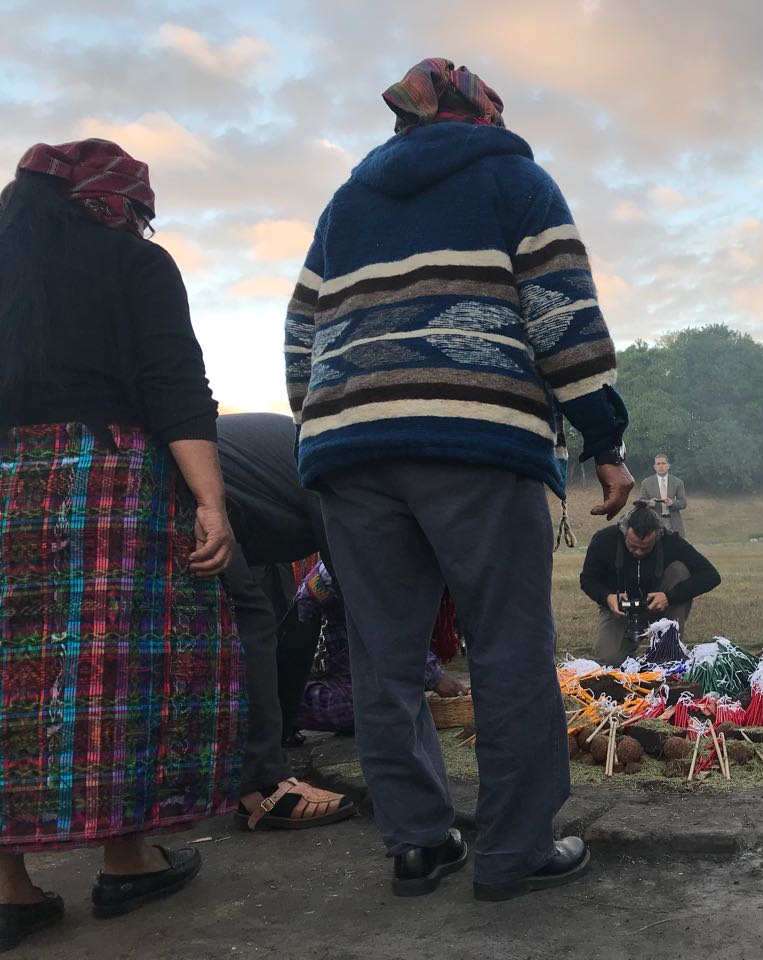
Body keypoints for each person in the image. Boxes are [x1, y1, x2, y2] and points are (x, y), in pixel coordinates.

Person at [285, 58, 633, 902]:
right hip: (475, 436)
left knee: (385, 656)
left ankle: (417, 843)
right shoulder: (516, 180)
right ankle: (514, 851)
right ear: (484, 116)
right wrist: (606, 439)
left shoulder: (345, 204)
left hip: (350, 449)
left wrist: (326, 420)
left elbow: (301, 331)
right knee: (508, 648)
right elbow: (563, 317)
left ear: (403, 121)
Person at [0, 141, 242, 950]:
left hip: (5, 485)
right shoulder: (135, 265)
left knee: (10, 677)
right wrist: (210, 500)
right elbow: (173, 381)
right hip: (105, 486)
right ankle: (127, 856)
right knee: (118, 675)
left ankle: (8, 885)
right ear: (116, 206)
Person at [216, 412, 356, 831]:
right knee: (249, 619)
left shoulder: (330, 448)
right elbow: (356, 583)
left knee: (274, 616)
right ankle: (262, 786)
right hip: (197, 492)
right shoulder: (335, 462)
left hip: (237, 507)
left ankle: (267, 737)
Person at [292, 559, 467, 733]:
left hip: (364, 620)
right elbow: (390, 621)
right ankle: (286, 703)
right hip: (333, 625)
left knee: (400, 696)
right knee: (370, 711)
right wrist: (433, 675)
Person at [580, 504, 722, 665]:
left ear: (658, 536)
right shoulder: (604, 540)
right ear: (624, 532)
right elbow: (587, 579)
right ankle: (629, 655)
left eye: (646, 548)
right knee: (610, 661)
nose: (639, 553)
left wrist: (669, 597)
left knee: (679, 570)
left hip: (660, 607)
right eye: (633, 547)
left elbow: (711, 575)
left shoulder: (670, 541)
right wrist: (607, 597)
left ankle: (669, 649)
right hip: (620, 611)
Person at [637, 454, 687, 536]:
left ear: (668, 466)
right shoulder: (646, 483)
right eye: (658, 464)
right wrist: (649, 502)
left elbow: (683, 502)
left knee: (674, 548)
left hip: (673, 523)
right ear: (655, 467)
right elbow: (640, 502)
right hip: (653, 523)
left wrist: (672, 503)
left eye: (663, 463)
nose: (661, 466)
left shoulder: (678, 482)